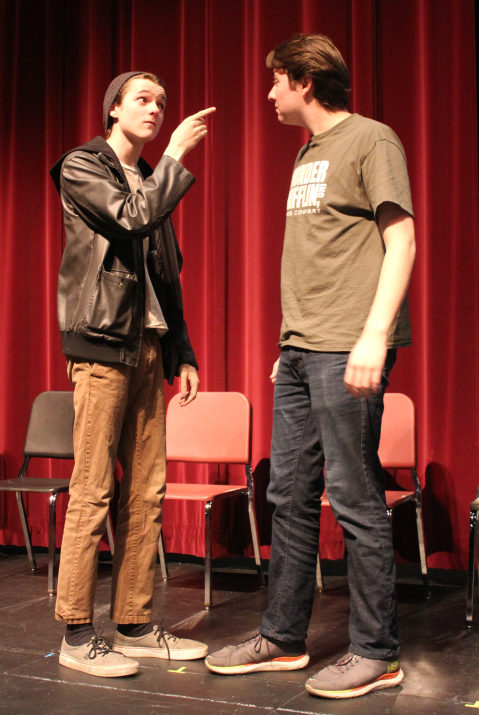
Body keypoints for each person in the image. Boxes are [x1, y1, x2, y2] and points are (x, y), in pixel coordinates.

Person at [205, 34, 416, 700]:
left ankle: (376, 650)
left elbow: (401, 239)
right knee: (286, 496)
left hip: (347, 348)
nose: (267, 94)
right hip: (300, 351)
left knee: (353, 498)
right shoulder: (306, 154)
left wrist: (372, 337)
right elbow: (320, 258)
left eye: (274, 81)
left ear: (301, 80)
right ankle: (281, 636)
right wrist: (287, 345)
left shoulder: (370, 140)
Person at [50, 71, 215, 678]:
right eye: (143, 100)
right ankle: (74, 631)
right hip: (100, 347)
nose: (157, 109)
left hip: (147, 347)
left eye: (162, 103)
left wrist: (185, 353)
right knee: (93, 489)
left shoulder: (152, 183)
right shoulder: (82, 166)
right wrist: (173, 157)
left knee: (147, 492)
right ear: (113, 110)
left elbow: (167, 277)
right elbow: (128, 219)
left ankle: (134, 624)